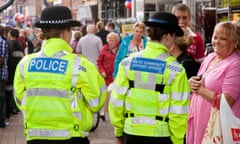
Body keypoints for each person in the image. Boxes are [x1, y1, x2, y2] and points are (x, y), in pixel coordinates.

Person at [13, 6, 107, 144]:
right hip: (72, 137)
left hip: (35, 137)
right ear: (65, 32)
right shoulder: (80, 65)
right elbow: (96, 102)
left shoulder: (25, 64)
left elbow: (20, 100)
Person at [109, 12, 190, 144]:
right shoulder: (176, 70)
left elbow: (116, 101)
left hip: (131, 133)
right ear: (169, 36)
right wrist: (178, 140)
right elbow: (179, 112)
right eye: (175, 36)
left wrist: (118, 132)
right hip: (162, 135)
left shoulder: (127, 63)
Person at [187, 21, 240, 144]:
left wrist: (200, 89)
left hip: (217, 129)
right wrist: (190, 83)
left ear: (235, 42)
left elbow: (227, 101)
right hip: (198, 122)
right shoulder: (211, 57)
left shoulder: (236, 64)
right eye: (215, 37)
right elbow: (200, 79)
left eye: (223, 39)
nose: (217, 41)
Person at [96, 32, 120, 121]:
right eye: (109, 40)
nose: (111, 42)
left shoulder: (120, 49)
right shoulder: (104, 49)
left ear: (117, 41)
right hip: (106, 76)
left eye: (113, 40)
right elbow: (99, 62)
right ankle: (103, 113)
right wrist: (102, 71)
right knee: (105, 94)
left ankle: (114, 113)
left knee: (115, 95)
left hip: (116, 76)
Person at [0, 25, 8, 128]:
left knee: (1, 98)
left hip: (1, 75)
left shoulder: (1, 42)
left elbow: (1, 60)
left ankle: (1, 121)